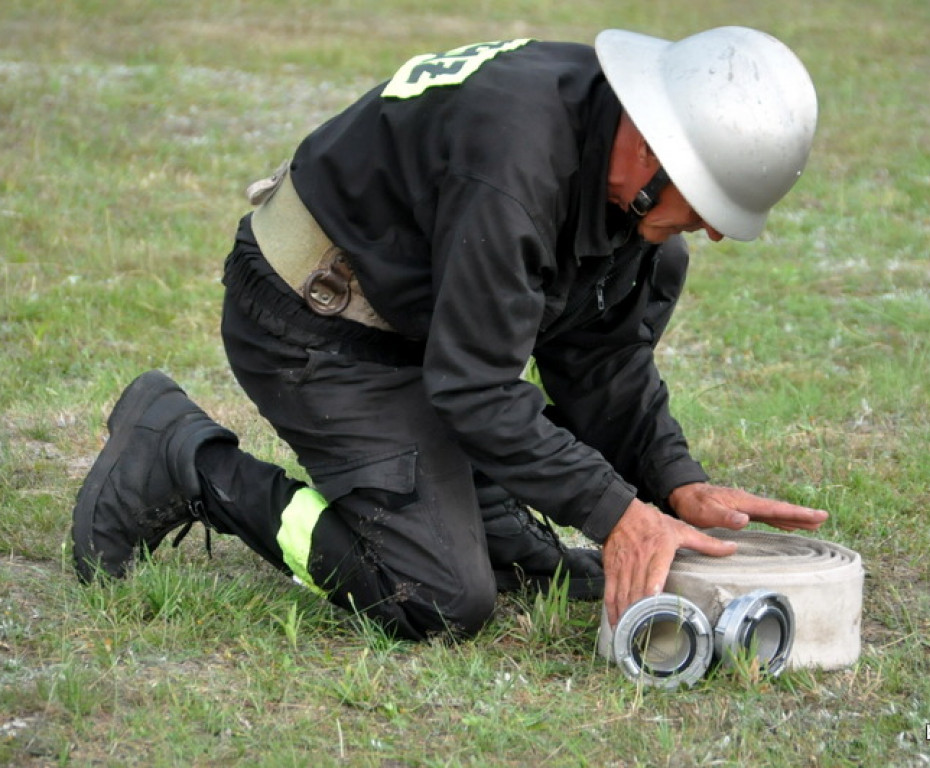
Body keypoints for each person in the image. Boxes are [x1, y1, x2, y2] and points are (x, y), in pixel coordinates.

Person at [71, 26, 829, 641]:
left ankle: (473, 513)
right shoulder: (516, 165)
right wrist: (617, 515)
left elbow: (599, 361)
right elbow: (475, 391)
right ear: (651, 147)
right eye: (704, 202)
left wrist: (674, 481)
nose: (711, 231)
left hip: (422, 334)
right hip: (314, 325)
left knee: (515, 562)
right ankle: (188, 461)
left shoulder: (613, 173)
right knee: (436, 596)